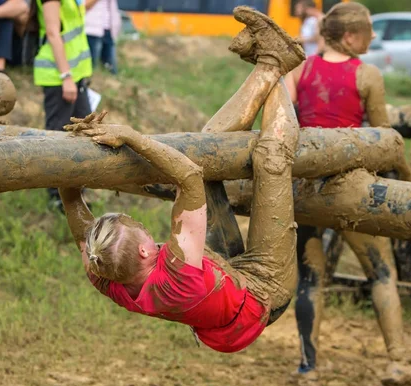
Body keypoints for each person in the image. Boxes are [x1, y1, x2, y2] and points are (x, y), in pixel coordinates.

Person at [58, 7, 306, 353]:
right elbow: (189, 176)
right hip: (264, 292)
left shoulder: (107, 272)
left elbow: (76, 215)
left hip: (220, 277)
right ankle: (276, 63)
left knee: (207, 145)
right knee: (272, 158)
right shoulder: (176, 273)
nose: (143, 225)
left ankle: (269, 62)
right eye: (138, 225)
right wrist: (130, 136)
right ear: (145, 250)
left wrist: (67, 170)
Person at [284, 2, 411, 386]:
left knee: (310, 279)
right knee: (382, 273)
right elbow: (384, 140)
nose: (372, 36)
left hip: (306, 191)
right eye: (367, 31)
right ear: (351, 36)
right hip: (348, 191)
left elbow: (285, 124)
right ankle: (398, 361)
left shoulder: (299, 70)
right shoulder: (367, 75)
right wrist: (407, 175)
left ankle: (308, 369)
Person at [30, 0, 96, 209]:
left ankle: (75, 193)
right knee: (58, 135)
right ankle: (56, 196)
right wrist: (66, 76)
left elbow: (81, 9)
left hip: (75, 74)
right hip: (58, 76)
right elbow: (52, 32)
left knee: (84, 132)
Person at [85, 0, 121, 74]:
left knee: (111, 68)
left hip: (107, 29)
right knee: (91, 66)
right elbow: (84, 5)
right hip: (92, 30)